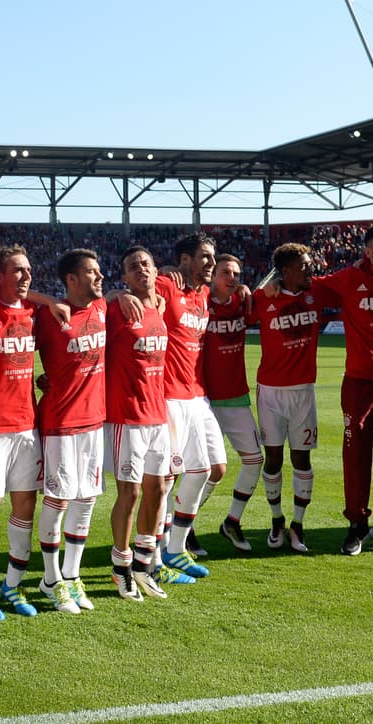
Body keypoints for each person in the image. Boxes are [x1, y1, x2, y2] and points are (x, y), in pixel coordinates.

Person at [311, 223, 373, 556]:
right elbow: (304, 283)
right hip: (358, 384)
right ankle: (357, 524)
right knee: (356, 458)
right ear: (367, 250)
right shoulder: (347, 279)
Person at [34, 249, 108, 613]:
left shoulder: (103, 309)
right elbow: (4, 296)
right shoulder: (47, 317)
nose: (100, 277)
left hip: (94, 422)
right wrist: (46, 299)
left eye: (99, 271)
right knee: (59, 501)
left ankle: (72, 575)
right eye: (92, 273)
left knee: (86, 500)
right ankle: (50, 580)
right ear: (71, 279)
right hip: (60, 424)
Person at [155, 233, 228, 580]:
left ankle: (176, 548)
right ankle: (154, 558)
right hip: (169, 396)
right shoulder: (168, 286)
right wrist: (163, 272)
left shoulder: (202, 294)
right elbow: (137, 283)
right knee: (166, 480)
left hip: (196, 396)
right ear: (184, 260)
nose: (212, 262)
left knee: (206, 469)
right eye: (205, 256)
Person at [106, 246, 173, 602]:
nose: (141, 269)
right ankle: (121, 567)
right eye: (133, 267)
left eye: (145, 264)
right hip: (125, 416)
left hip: (158, 415)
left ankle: (145, 565)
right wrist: (113, 294)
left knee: (159, 489)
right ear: (125, 277)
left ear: (155, 269)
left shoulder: (161, 306)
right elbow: (83, 308)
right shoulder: (117, 308)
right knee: (130, 493)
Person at [254, 243, 329, 554]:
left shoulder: (318, 292)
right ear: (285, 272)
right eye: (304, 265)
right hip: (270, 392)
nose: (310, 269)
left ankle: (298, 524)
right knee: (273, 459)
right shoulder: (263, 298)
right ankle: (276, 519)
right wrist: (269, 283)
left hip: (303, 391)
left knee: (302, 459)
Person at [0, 246, 42, 619]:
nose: (25, 277)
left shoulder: (36, 313)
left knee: (25, 507)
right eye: (17, 271)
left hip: (26, 426)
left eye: (28, 270)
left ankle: (12, 586)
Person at [205, 254, 264, 552]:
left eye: (237, 273)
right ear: (212, 276)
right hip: (205, 400)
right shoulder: (200, 302)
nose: (232, 277)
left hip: (238, 397)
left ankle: (232, 521)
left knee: (254, 461)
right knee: (205, 470)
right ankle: (183, 527)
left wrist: (259, 290)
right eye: (226, 272)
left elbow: (274, 293)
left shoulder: (243, 302)